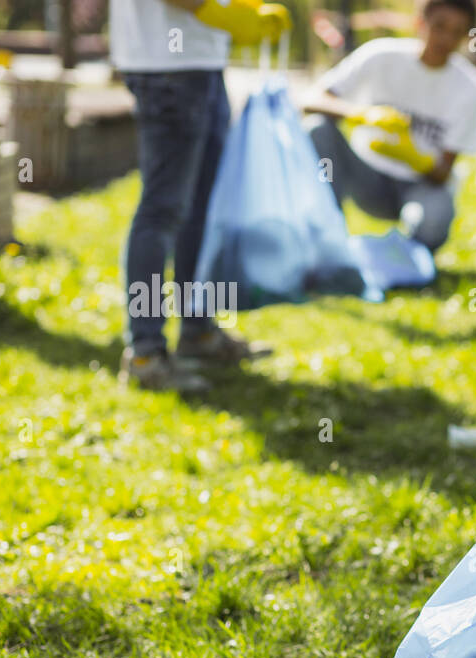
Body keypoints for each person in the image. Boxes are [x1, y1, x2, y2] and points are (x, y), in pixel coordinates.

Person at [110, 0, 290, 392]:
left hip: (201, 63)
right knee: (161, 211)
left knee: (203, 209)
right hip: (167, 67)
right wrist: (228, 14)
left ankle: (197, 329)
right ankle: (146, 353)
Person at [300, 0, 476, 254]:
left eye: (457, 32)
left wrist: (415, 158)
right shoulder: (381, 55)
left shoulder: (471, 86)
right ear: (420, 22)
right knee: (317, 129)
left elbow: (444, 172)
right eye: (439, 26)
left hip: (420, 186)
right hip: (365, 175)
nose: (445, 38)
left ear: (467, 37)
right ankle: (329, 239)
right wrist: (360, 114)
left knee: (433, 224)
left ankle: (407, 255)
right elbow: (311, 100)